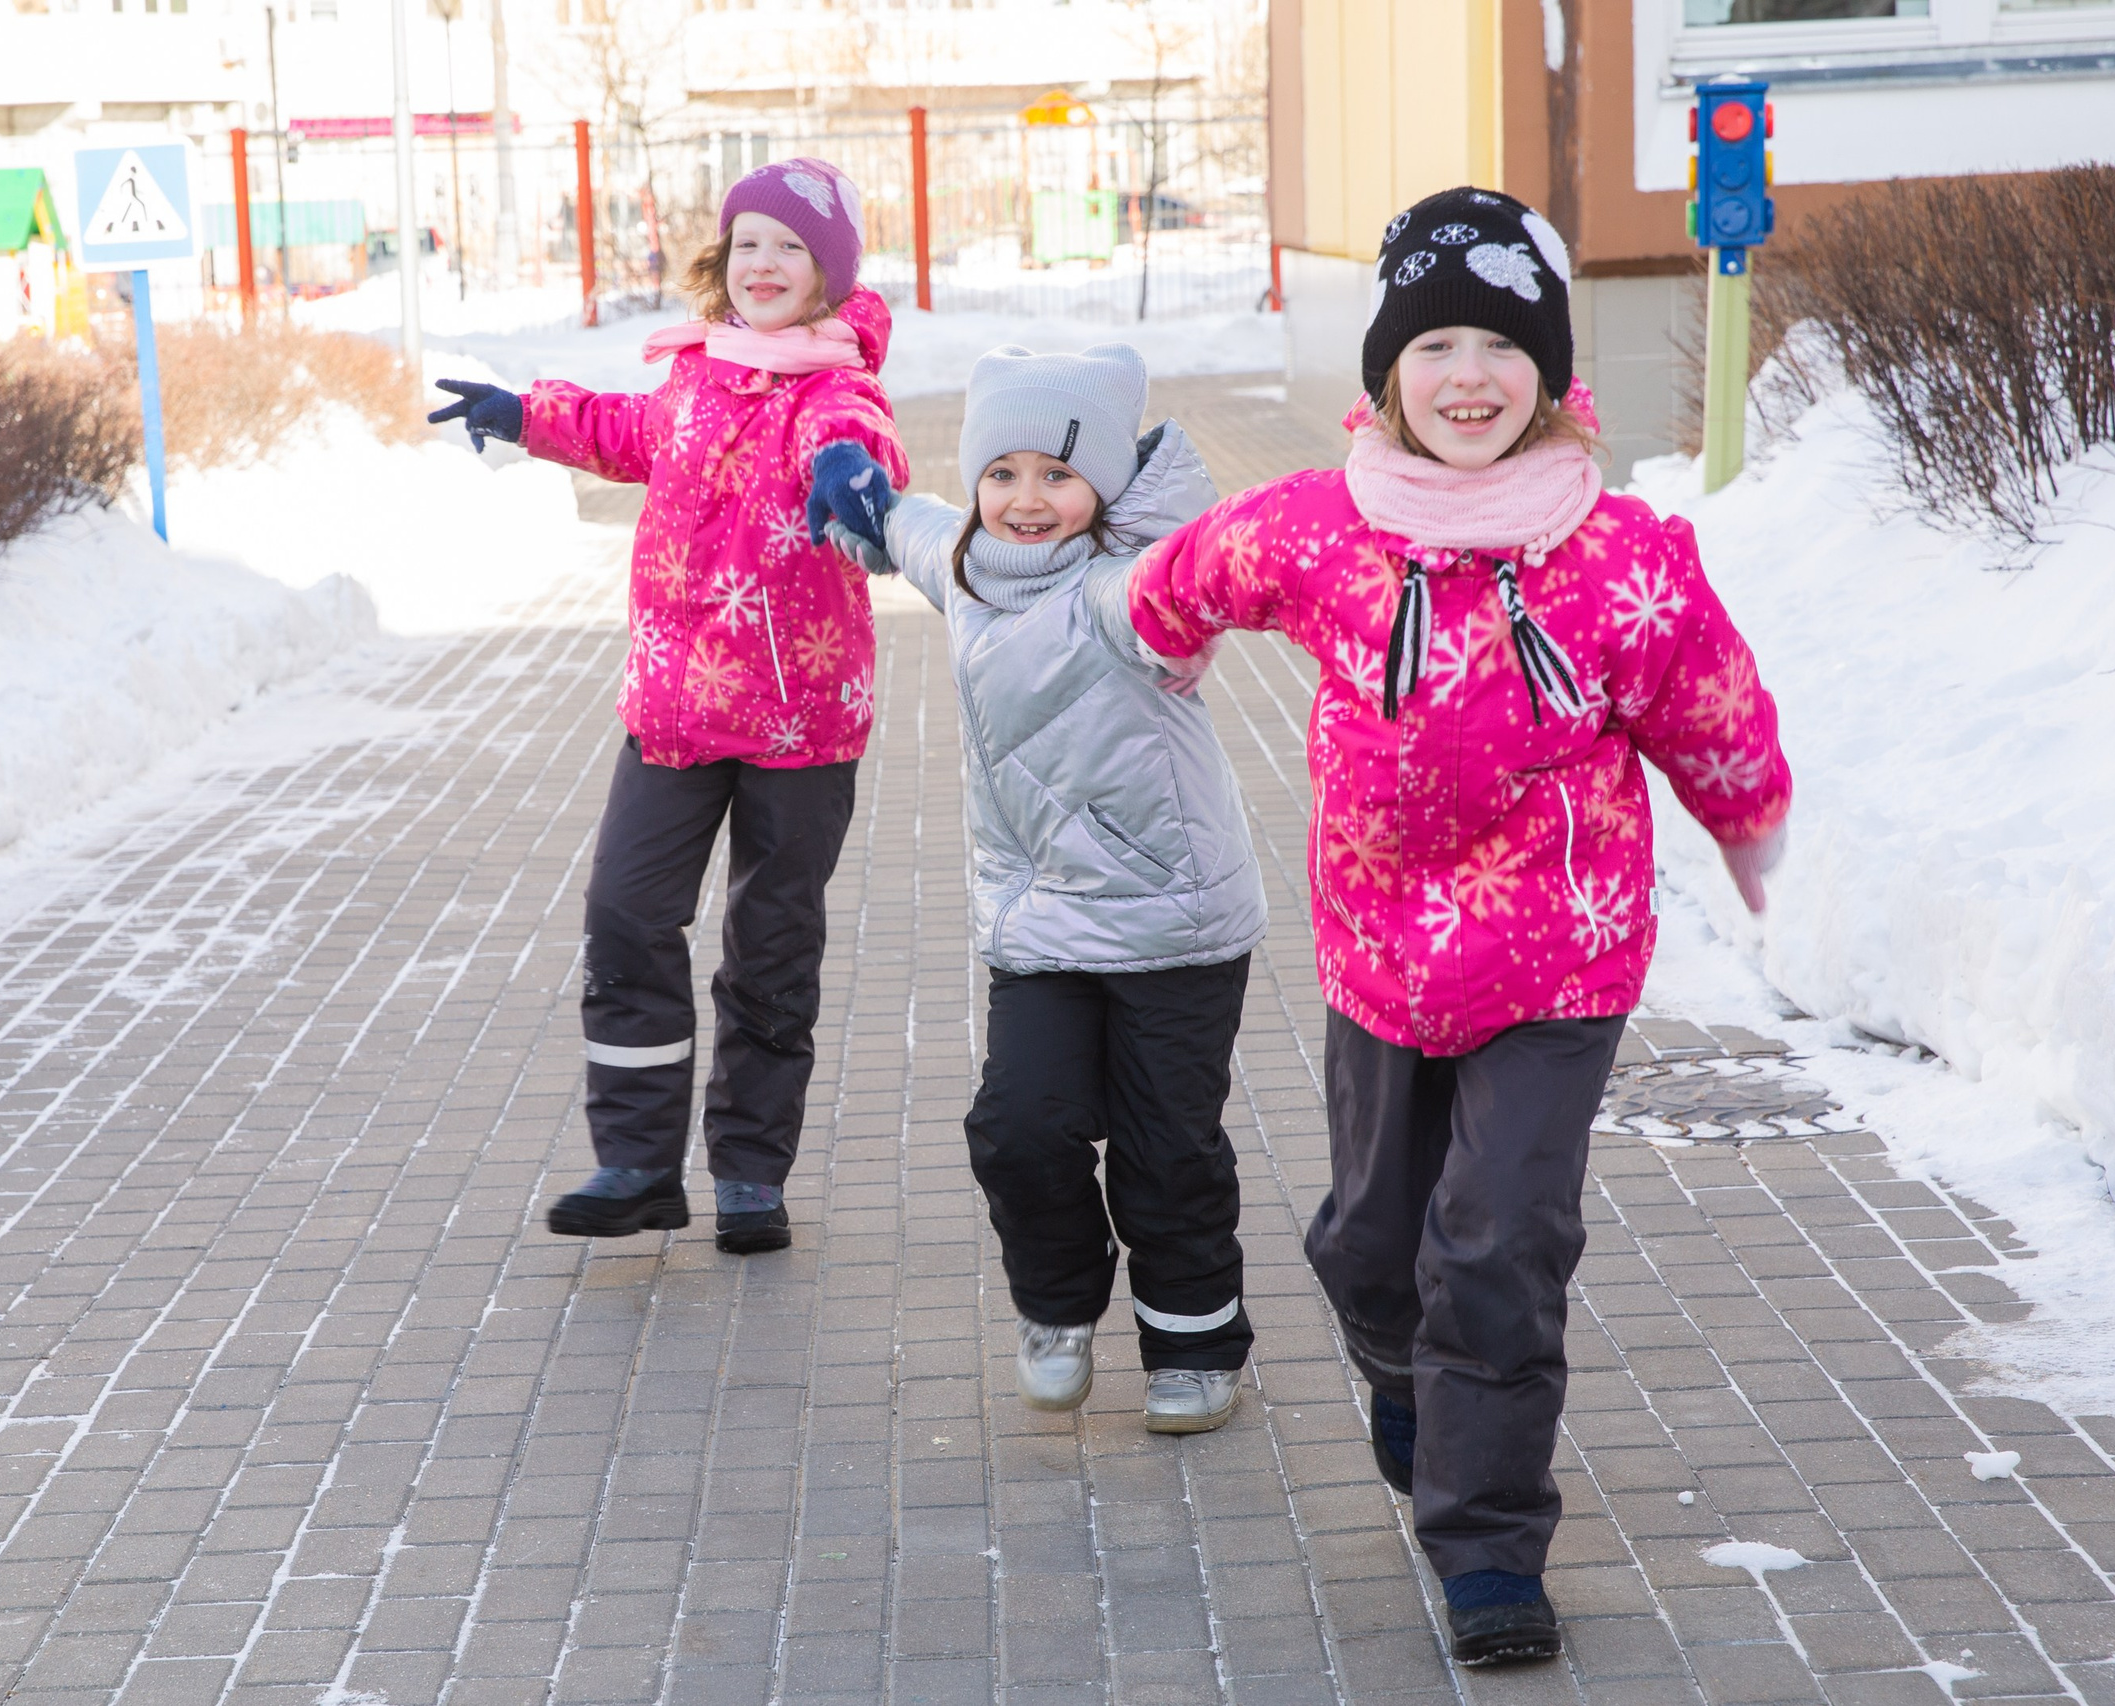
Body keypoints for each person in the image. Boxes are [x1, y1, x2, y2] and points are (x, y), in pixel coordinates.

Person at [1120, 187, 1792, 1663]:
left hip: (1560, 955)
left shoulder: (1619, 552)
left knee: (1493, 1244)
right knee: (1375, 1243)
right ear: (1387, 375)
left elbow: (1710, 699)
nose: (1470, 375)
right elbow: (1191, 573)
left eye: (1503, 343)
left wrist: (1751, 824)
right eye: (1435, 345)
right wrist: (1151, 642)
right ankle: (1411, 1380)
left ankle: (1487, 1544)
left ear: (1550, 372)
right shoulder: (1325, 527)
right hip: (1378, 959)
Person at [427, 158, 907, 1255]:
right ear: (722, 260)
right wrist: (524, 409)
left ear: (828, 274)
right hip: (675, 709)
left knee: (769, 947)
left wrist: (849, 478)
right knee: (626, 914)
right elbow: (627, 431)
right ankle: (638, 1160)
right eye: (747, 244)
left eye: (790, 247)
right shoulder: (697, 372)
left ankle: (748, 1171)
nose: (764, 265)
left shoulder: (832, 383)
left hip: (798, 719)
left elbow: (854, 438)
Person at [811, 345, 1268, 1434]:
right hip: (1039, 920)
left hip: (1176, 921)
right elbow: (914, 529)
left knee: (1165, 1147)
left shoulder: (1124, 585)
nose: (1025, 500)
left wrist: (1203, 599)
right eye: (1001, 472)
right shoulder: (969, 564)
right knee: (1018, 1128)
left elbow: (1185, 591)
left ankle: (1194, 1338)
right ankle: (1058, 1307)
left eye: (1056, 476)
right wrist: (860, 493)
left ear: (1104, 488)